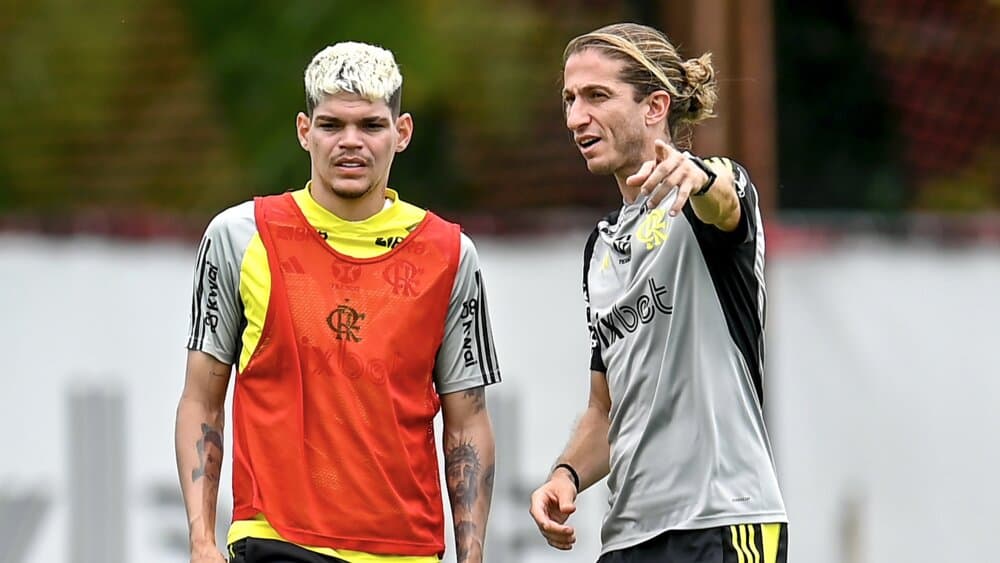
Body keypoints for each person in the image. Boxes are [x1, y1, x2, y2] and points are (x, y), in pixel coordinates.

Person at [175, 41, 500, 563]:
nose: (351, 142)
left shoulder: (450, 254)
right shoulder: (241, 236)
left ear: (403, 132)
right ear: (305, 130)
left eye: (371, 125)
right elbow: (201, 398)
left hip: (406, 550)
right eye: (332, 125)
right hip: (276, 540)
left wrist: (473, 556)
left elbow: (468, 420)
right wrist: (201, 538)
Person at [528, 22, 789, 563]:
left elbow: (725, 199)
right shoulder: (600, 249)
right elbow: (604, 410)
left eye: (597, 96)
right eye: (570, 99)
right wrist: (565, 476)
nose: (577, 117)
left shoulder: (706, 194)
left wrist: (696, 176)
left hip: (723, 523)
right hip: (629, 538)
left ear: (655, 107)